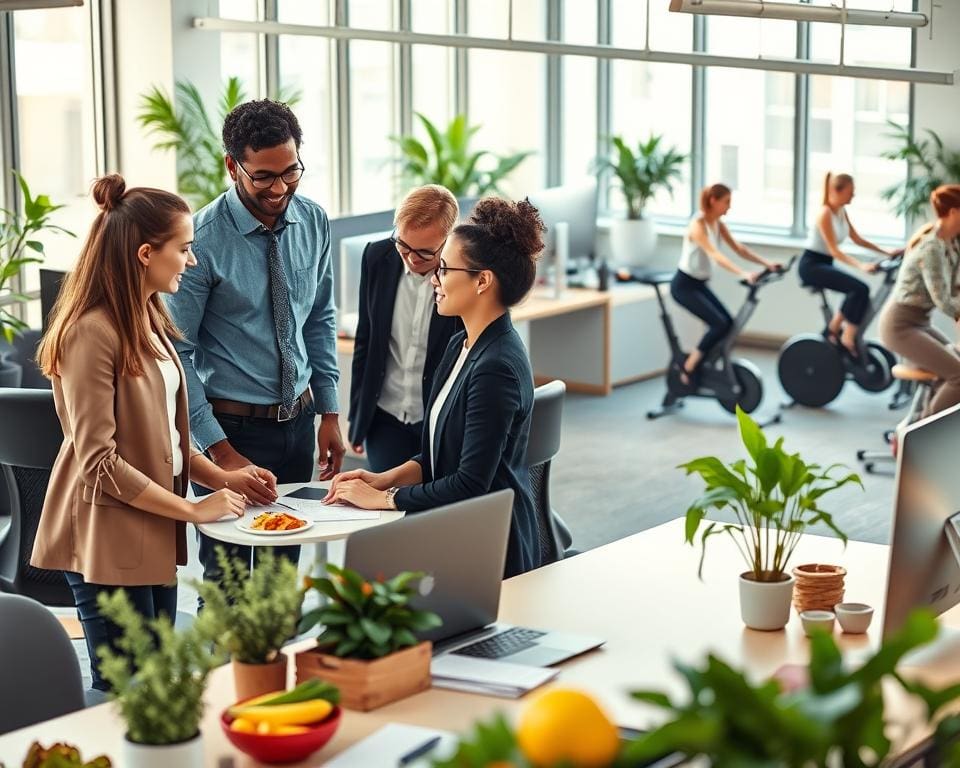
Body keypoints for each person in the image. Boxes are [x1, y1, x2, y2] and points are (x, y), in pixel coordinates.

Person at [31, 175, 263, 691]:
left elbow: (164, 438)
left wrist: (222, 476)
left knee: (159, 685)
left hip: (147, 529)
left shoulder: (147, 317)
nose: (192, 261)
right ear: (144, 253)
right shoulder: (90, 332)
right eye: (183, 249)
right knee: (133, 694)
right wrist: (193, 509)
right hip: (105, 538)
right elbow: (99, 462)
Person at [166, 99, 344, 585]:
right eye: (264, 176)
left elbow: (319, 319)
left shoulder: (313, 221)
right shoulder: (199, 240)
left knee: (279, 583)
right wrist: (221, 455)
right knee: (226, 585)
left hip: (299, 424)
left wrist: (329, 411)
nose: (280, 188)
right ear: (232, 166)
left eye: (291, 172)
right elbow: (179, 355)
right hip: (230, 429)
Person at [324, 197, 545, 578]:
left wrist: (385, 498)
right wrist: (385, 478)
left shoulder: (497, 368)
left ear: (483, 281)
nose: (435, 280)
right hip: (456, 532)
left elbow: (470, 483)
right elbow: (441, 456)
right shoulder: (459, 346)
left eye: (443, 268)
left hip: (490, 549)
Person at [348, 185, 462, 472]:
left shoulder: (463, 276)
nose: (411, 258)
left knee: (437, 511)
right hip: (386, 417)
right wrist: (357, 418)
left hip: (438, 419)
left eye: (424, 252)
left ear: (448, 241)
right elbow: (366, 340)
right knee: (384, 507)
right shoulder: (377, 257)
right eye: (403, 245)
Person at [670, 183, 780, 384]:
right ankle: (689, 367)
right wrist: (742, 273)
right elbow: (715, 254)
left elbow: (739, 249)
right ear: (713, 201)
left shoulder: (718, 224)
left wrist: (767, 264)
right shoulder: (698, 225)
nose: (729, 206)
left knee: (728, 323)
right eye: (726, 202)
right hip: (684, 286)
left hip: (700, 284)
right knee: (719, 324)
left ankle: (706, 363)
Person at [879, 184, 960, 417]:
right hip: (900, 325)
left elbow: (955, 288)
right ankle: (926, 433)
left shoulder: (951, 244)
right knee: (958, 376)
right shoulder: (931, 247)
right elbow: (943, 299)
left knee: (954, 363)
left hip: (920, 322)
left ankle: (923, 420)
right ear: (954, 212)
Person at [799, 172, 899, 356]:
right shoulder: (825, 214)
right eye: (850, 192)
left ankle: (836, 331)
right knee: (859, 289)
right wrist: (861, 266)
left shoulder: (841, 211)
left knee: (861, 292)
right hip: (811, 266)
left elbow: (858, 239)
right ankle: (842, 334)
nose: (853, 196)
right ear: (838, 191)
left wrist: (887, 252)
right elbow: (834, 250)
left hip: (824, 264)